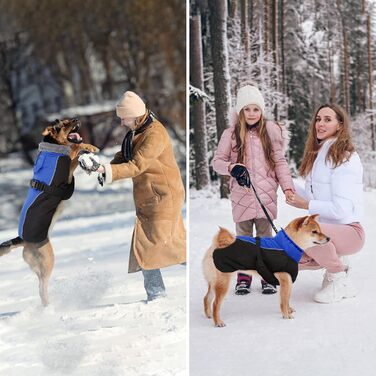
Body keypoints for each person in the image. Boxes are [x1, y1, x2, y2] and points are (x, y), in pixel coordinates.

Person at [79, 91, 186, 301]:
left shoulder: (154, 134)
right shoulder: (137, 131)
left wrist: (103, 170)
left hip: (163, 197)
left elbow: (137, 165)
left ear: (135, 114)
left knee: (156, 246)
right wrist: (101, 167)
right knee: (161, 245)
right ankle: (158, 294)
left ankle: (158, 295)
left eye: (123, 117)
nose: (121, 122)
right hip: (152, 197)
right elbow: (125, 156)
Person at [212, 85, 294, 295]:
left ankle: (267, 276)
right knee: (244, 239)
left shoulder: (270, 132)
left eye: (255, 109)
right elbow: (217, 162)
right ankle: (244, 277)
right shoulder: (230, 134)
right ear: (240, 111)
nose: (251, 114)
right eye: (246, 109)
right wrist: (232, 167)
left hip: (266, 196)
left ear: (262, 111)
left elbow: (280, 163)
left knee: (266, 238)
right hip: (242, 196)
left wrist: (287, 188)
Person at [286, 103, 365, 303]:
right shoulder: (321, 153)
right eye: (318, 119)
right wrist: (284, 181)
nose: (320, 124)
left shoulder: (345, 158)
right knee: (294, 239)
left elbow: (341, 209)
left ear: (340, 125)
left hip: (350, 231)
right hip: (330, 228)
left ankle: (340, 278)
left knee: (306, 232)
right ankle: (335, 268)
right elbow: (315, 197)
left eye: (327, 119)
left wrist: (306, 206)